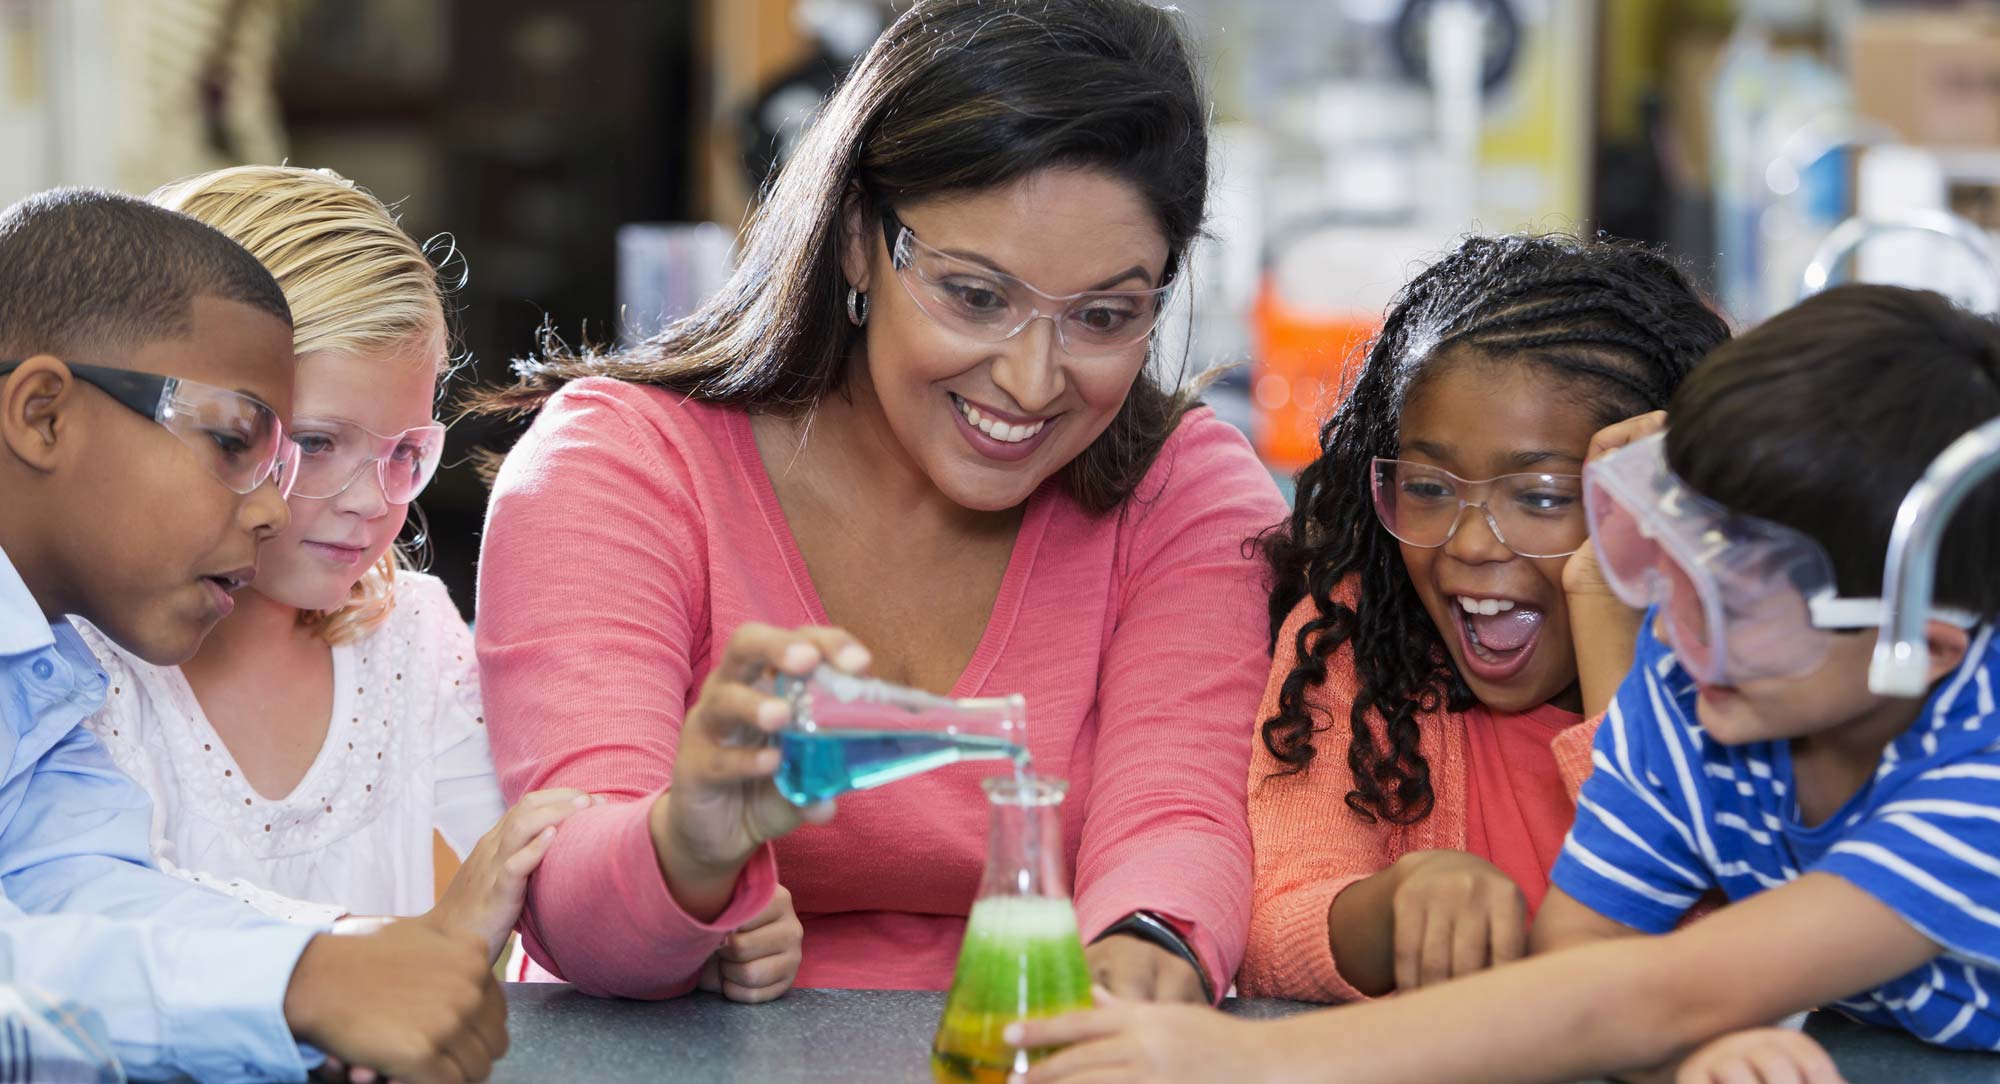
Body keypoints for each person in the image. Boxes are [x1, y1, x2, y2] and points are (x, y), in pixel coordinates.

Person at [470, 0, 1285, 1005]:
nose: (1031, 381)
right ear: (859, 239)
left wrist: (1140, 968)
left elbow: (1175, 821)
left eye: (1103, 316)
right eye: (975, 296)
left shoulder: (1185, 493)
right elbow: (575, 917)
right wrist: (688, 839)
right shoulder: (620, 468)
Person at [1013, 285, 2000, 1084]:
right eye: (1671, 566)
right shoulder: (1706, 679)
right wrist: (1686, 1059)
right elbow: (1587, 974)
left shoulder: (1977, 781)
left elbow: (1665, 987)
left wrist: (1243, 1061)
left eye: (1733, 601)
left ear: (1919, 649)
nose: (1679, 630)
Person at [0, 187, 503, 1084]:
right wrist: (300, 982)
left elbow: (75, 896)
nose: (270, 505)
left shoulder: (45, 673)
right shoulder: (97, 666)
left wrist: (337, 966)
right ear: (42, 414)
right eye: (239, 443)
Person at [74, 166, 629, 976]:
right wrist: (412, 946)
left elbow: (546, 889)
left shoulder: (410, 635)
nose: (372, 501)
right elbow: (96, 916)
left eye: (406, 452)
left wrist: (675, 923)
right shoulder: (78, 658)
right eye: (317, 443)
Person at [1242, 235, 1729, 1000]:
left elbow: (1713, 959)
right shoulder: (1361, 638)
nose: (1467, 544)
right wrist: (1396, 906)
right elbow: (1267, 930)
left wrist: (1611, 628)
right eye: (1429, 487)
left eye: (1540, 496)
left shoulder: (1750, 677)